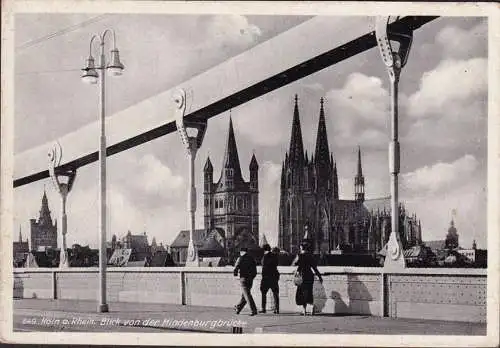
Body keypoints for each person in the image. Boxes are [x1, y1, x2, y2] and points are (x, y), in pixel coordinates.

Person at [293, 242, 323, 316]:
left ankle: (304, 311)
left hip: (302, 276)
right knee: (309, 292)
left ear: (302, 248)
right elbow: (314, 268)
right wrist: (319, 277)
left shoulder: (300, 255)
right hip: (309, 275)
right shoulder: (310, 256)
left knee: (302, 293)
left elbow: (295, 264)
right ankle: (312, 306)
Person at [233, 247, 258, 316]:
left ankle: (253, 310)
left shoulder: (240, 258)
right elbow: (255, 270)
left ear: (241, 252)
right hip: (250, 279)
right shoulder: (252, 258)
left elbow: (236, 268)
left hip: (243, 278)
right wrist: (252, 276)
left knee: (247, 295)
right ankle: (238, 308)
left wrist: (235, 274)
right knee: (245, 295)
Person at [259, 244, 280, 314]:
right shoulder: (274, 256)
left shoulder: (264, 257)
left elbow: (264, 267)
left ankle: (263, 308)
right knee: (275, 293)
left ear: (264, 250)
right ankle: (277, 309)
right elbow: (276, 264)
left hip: (266, 278)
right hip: (274, 277)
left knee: (263, 293)